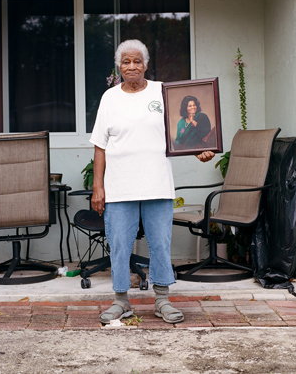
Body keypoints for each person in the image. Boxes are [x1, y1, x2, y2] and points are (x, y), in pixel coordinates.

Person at [90, 39, 215, 325]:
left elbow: (180, 132)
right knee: (120, 244)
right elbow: (100, 146)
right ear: (119, 66)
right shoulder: (110, 98)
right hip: (120, 187)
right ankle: (121, 301)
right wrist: (99, 187)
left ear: (146, 64)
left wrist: (200, 150)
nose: (131, 66)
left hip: (157, 182)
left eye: (137, 61)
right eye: (126, 61)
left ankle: (162, 300)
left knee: (160, 243)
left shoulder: (163, 92)